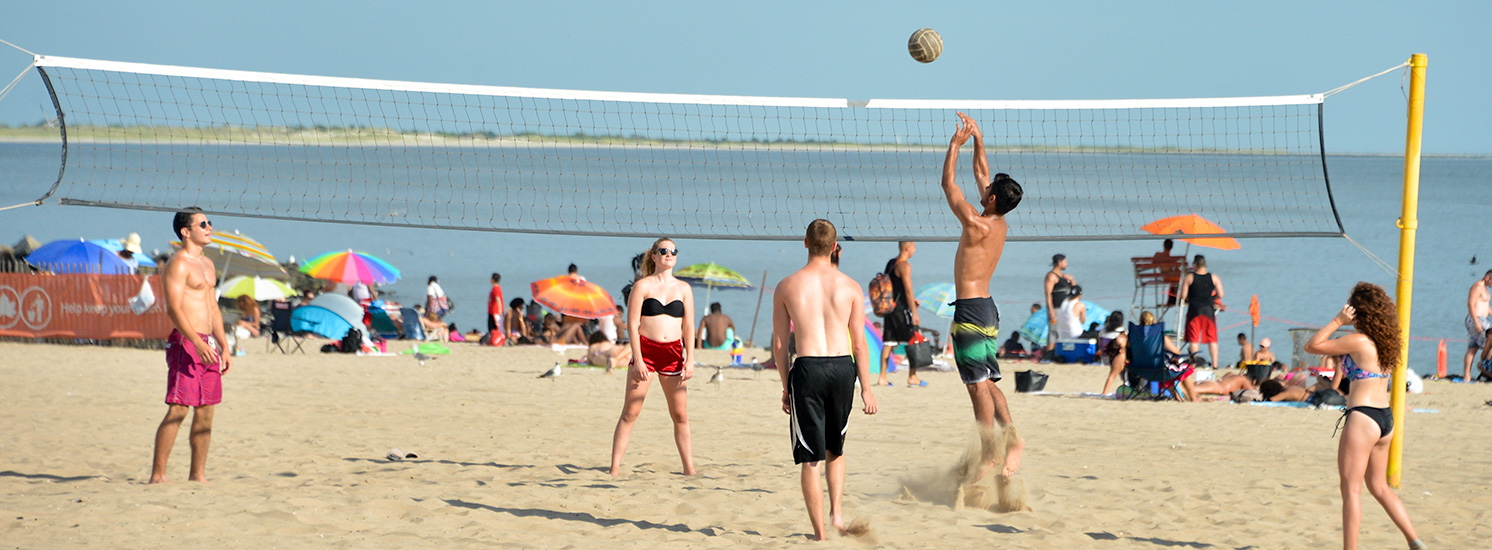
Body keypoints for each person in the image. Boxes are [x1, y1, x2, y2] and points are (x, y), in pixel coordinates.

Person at [771, 219, 878, 541]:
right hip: (843, 369)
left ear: (805, 243)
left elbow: (779, 345)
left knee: (810, 458)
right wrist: (868, 389)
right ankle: (837, 516)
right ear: (834, 247)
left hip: (807, 367)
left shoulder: (787, 285)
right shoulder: (850, 286)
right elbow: (859, 343)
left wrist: (785, 386)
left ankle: (820, 534)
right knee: (836, 450)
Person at [1304, 283, 1424, 550]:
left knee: (1351, 490)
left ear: (1359, 312)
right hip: (1384, 419)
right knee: (1380, 487)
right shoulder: (1387, 344)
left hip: (1363, 418)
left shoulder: (1359, 341)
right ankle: (1415, 541)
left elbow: (1312, 346)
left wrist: (1339, 320)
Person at [940, 111, 1025, 479]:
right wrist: (978, 138)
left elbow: (948, 185)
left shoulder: (976, 223)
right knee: (989, 379)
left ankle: (990, 451)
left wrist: (953, 146)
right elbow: (981, 175)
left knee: (976, 386)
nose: (985, 186)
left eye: (989, 189)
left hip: (972, 311)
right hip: (988, 308)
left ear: (990, 199)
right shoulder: (1000, 221)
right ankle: (1012, 437)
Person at [151, 208, 231, 484]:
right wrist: (196, 342)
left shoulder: (207, 264)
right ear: (186, 232)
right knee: (179, 408)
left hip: (208, 343)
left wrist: (224, 345)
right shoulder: (178, 263)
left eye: (210, 223)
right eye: (203, 224)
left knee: (207, 409)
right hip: (187, 341)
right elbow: (173, 309)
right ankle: (158, 476)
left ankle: (198, 475)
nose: (210, 227)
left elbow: (213, 307)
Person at [610, 238, 696, 476]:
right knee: (630, 412)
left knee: (680, 415)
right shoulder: (643, 286)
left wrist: (690, 359)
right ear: (654, 257)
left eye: (673, 251)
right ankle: (614, 469)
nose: (669, 254)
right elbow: (632, 323)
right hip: (646, 351)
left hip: (673, 353)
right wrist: (637, 359)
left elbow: (689, 327)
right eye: (663, 251)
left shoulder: (684, 288)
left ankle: (689, 469)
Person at [875, 241, 921, 387]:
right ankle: (912, 376)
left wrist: (912, 300)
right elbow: (907, 290)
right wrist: (914, 312)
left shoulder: (891, 263)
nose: (915, 250)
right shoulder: (905, 266)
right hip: (901, 310)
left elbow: (892, 287)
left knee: (888, 342)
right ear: (907, 249)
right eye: (914, 247)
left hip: (889, 307)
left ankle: (882, 377)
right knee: (913, 339)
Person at [1178, 255, 1224, 367]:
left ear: (1195, 265)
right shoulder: (1214, 277)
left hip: (1195, 310)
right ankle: (1215, 365)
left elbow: (1183, 296)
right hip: (1209, 310)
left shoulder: (1189, 277)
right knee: (1212, 339)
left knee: (1194, 339)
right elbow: (1221, 294)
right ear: (1205, 265)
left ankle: (1193, 363)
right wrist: (1212, 299)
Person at [1043, 253, 1076, 358]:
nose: (1066, 264)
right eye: (1065, 262)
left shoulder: (1064, 277)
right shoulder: (1051, 276)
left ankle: (1058, 354)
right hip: (1056, 308)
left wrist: (1072, 280)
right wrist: (1051, 310)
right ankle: (1049, 354)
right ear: (1059, 262)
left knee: (1063, 332)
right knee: (1054, 332)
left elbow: (1075, 291)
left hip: (1065, 309)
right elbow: (1048, 294)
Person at [1463, 270, 1492, 380]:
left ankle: (1467, 376)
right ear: (1487, 277)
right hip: (1476, 319)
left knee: (1473, 348)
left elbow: (1486, 308)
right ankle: (1485, 368)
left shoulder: (1484, 289)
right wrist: (1476, 322)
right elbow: (1470, 304)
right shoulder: (1477, 287)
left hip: (1481, 318)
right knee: (1490, 342)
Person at [485, 273, 504, 346]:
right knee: (491, 327)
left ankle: (495, 340)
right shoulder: (494, 288)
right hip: (491, 311)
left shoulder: (496, 288)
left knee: (494, 327)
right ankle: (492, 339)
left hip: (495, 311)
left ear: (493, 279)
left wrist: (499, 311)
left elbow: (498, 299)